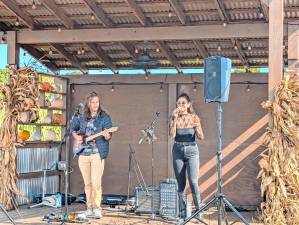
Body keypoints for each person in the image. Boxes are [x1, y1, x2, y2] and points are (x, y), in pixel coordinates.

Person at [70, 92, 112, 219]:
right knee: (87, 183)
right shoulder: (82, 116)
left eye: (97, 102)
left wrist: (106, 134)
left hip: (97, 154)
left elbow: (109, 135)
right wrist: (76, 137)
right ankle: (89, 208)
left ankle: (97, 209)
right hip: (83, 154)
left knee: (96, 183)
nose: (95, 104)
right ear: (88, 103)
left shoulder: (104, 117)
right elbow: (72, 128)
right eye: (93, 102)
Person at [169, 93, 204, 219]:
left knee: (193, 181)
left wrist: (196, 126)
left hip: (192, 151)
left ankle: (199, 211)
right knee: (181, 184)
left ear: (188, 105)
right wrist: (173, 119)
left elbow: (201, 137)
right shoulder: (174, 118)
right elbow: (172, 136)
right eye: (178, 103)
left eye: (183, 103)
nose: (181, 106)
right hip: (177, 150)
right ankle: (182, 212)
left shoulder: (194, 117)